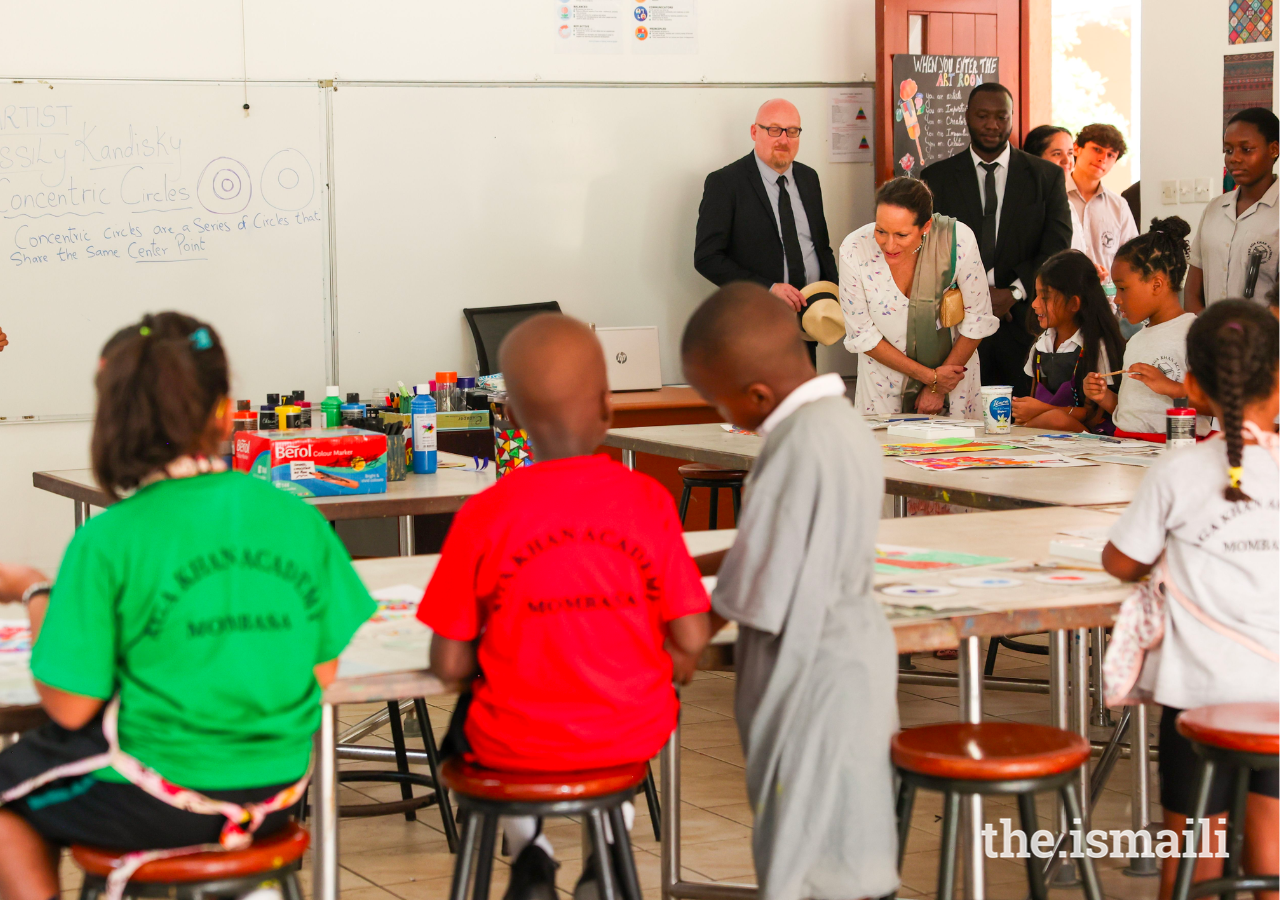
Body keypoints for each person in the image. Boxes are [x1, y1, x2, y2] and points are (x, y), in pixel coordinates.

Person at [0, 313, 375, 900]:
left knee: (8, 803)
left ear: (112, 419)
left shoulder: (109, 540)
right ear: (226, 412)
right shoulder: (296, 518)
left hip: (162, 795)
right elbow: (319, 673)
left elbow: (72, 708)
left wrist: (33, 589)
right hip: (278, 793)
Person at [418, 313, 711, 900]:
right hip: (627, 734)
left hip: (513, 741)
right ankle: (610, 845)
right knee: (613, 747)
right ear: (607, 406)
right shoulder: (647, 502)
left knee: (482, 742)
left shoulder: (484, 516)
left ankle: (531, 853)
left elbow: (448, 666)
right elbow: (694, 637)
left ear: (510, 419)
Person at [680, 282, 898, 900]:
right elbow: (777, 543)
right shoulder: (840, 425)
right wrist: (682, 564)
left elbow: (753, 591)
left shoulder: (793, 447)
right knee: (853, 845)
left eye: (715, 402)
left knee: (811, 860)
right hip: (851, 666)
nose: (721, 417)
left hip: (810, 680)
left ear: (755, 395)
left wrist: (672, 632)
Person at [1101, 300, 1278, 900]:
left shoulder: (1178, 472)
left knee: (1189, 865)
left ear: (1193, 387)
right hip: (1276, 703)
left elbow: (1120, 562)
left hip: (1195, 703)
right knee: (1273, 861)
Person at [922, 83, 1073, 396]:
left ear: (1012, 119)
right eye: (983, 116)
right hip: (956, 323)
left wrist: (1014, 292)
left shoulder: (1046, 176)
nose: (992, 124)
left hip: (1024, 321)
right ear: (967, 117)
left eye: (1001, 117)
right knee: (961, 420)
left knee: (1020, 418)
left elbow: (1057, 245)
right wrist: (973, 294)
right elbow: (928, 248)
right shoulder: (936, 178)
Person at [839, 177, 998, 417]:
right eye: (881, 231)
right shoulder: (854, 249)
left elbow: (978, 319)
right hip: (883, 385)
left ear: (926, 227)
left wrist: (938, 388)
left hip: (952, 381)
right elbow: (862, 335)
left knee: (955, 453)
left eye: (901, 235)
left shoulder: (957, 241)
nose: (888, 244)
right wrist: (930, 378)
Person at [694, 100, 839, 331]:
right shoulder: (725, 183)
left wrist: (835, 295)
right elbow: (707, 258)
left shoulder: (809, 178)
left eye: (792, 131)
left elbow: (820, 247)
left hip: (810, 321)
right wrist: (769, 288)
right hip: (754, 321)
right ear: (754, 131)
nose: (784, 139)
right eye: (774, 130)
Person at [1083, 217, 1208, 439]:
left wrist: (1170, 387)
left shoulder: (1195, 333)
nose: (1117, 299)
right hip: (1128, 447)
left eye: (1123, 288)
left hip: (1172, 451)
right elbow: (1134, 414)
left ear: (1156, 284)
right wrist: (1103, 397)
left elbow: (1217, 404)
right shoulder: (1136, 341)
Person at [1012, 249, 1125, 433]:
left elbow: (1093, 416)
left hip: (1091, 437)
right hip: (1045, 436)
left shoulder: (1098, 347)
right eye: (1036, 295)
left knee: (1055, 419)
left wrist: (1042, 410)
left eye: (1045, 297)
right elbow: (1033, 402)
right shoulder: (1041, 345)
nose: (1034, 304)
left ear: (1074, 303)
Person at [1186, 107, 1279, 311]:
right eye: (1228, 150)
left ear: (1273, 149)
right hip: (1211, 338)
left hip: (1264, 340)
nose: (1234, 158)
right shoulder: (1214, 209)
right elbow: (1192, 291)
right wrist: (1209, 333)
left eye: (1246, 149)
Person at [1067, 124, 1138, 283]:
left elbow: (1131, 259)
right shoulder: (1055, 198)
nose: (1102, 159)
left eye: (1111, 155)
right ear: (1077, 148)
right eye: (1097, 149)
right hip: (1063, 295)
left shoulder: (1119, 206)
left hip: (1107, 300)